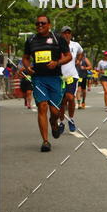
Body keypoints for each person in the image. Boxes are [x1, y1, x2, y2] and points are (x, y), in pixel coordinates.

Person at [22, 14, 71, 152]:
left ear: (49, 25)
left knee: (55, 111)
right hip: (38, 79)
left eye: (43, 23)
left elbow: (68, 56)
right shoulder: (31, 40)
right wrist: (27, 67)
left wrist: (57, 62)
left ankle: (53, 122)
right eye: (37, 24)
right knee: (42, 106)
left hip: (55, 79)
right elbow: (25, 58)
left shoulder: (57, 39)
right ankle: (45, 141)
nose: (40, 26)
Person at [59, 26, 85, 132]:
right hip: (60, 77)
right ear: (61, 34)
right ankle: (61, 122)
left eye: (68, 33)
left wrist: (78, 60)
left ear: (71, 35)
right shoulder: (57, 45)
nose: (67, 35)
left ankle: (71, 119)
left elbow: (81, 52)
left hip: (72, 76)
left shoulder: (76, 45)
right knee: (62, 101)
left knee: (70, 97)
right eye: (65, 33)